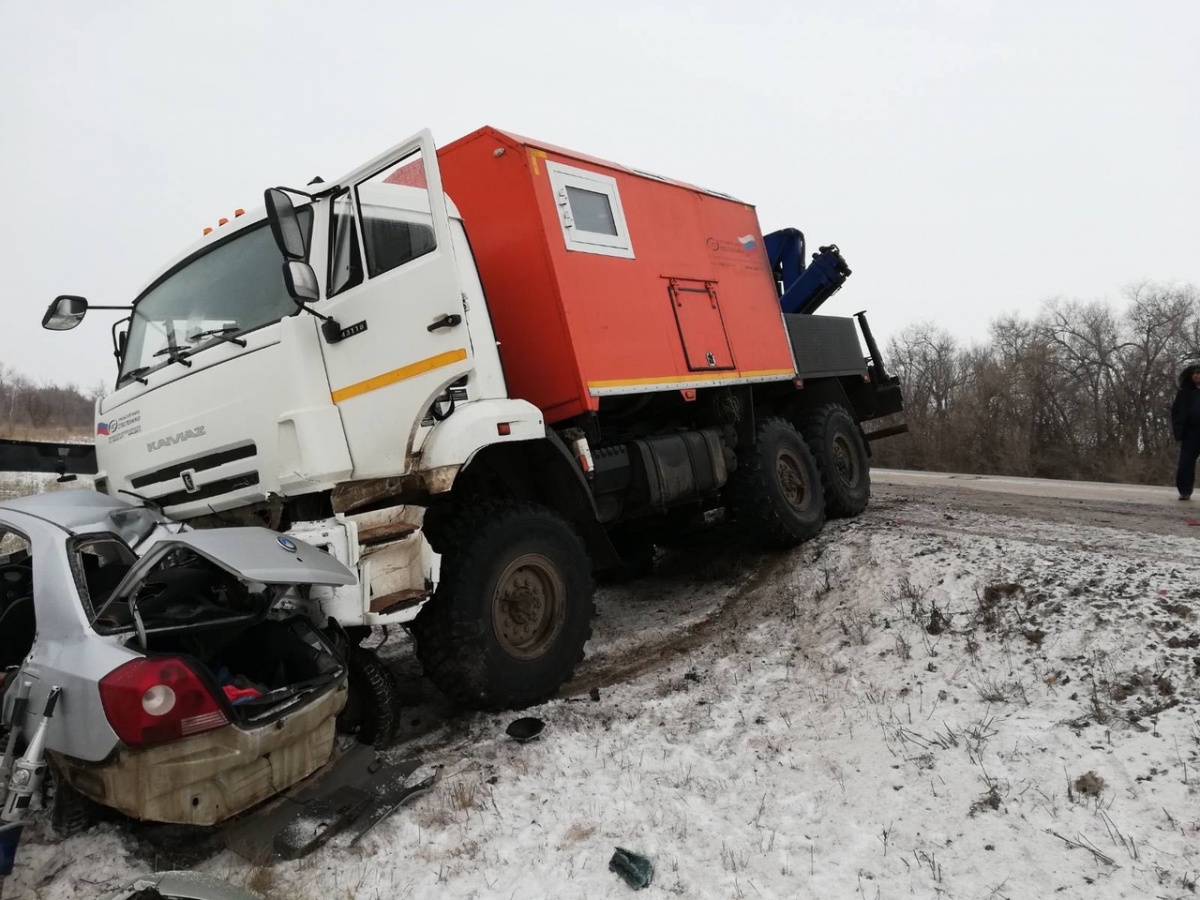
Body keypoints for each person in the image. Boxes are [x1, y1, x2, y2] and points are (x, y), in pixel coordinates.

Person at [1171, 363, 1200, 500]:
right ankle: (1185, 490)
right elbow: (1176, 411)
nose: (1196, 375)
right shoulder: (1185, 391)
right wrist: (1178, 429)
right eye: (1194, 373)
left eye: (1198, 373)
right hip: (1191, 433)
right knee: (1186, 463)